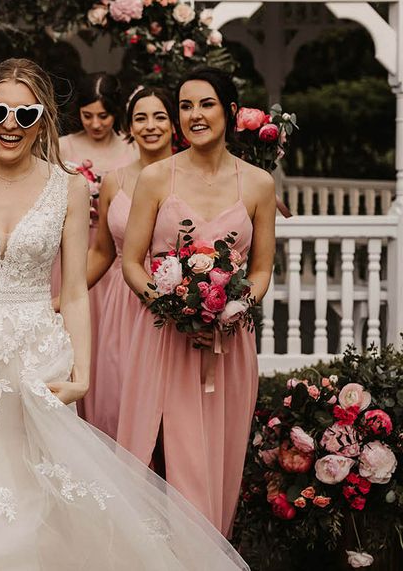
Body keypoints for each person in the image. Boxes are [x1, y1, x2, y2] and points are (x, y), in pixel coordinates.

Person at [0, 59, 248, 570]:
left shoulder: (68, 188)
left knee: (33, 498)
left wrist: (82, 372)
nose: (9, 125)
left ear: (42, 119)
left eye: (25, 114)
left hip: (35, 357)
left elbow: (76, 291)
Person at [119, 67, 276, 538]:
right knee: (165, 459)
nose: (194, 115)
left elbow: (264, 268)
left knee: (219, 463)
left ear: (228, 112)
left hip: (228, 344)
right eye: (185, 106)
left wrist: (233, 309)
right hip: (166, 340)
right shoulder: (154, 178)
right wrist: (176, 311)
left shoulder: (259, 184)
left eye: (205, 104)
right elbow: (132, 262)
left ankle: (209, 551)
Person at [85, 86, 175, 439]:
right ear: (129, 127)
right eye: (141, 118)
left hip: (176, 302)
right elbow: (102, 253)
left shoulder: (193, 177)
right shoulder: (114, 181)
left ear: (173, 124)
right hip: (123, 306)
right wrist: (63, 298)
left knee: (170, 413)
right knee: (120, 404)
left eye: (159, 116)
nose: (150, 125)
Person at [57, 73, 137, 423]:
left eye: (103, 116)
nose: (95, 123)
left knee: (110, 352)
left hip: (116, 257)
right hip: (70, 253)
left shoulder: (132, 148)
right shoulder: (63, 147)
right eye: (88, 115)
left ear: (115, 113)